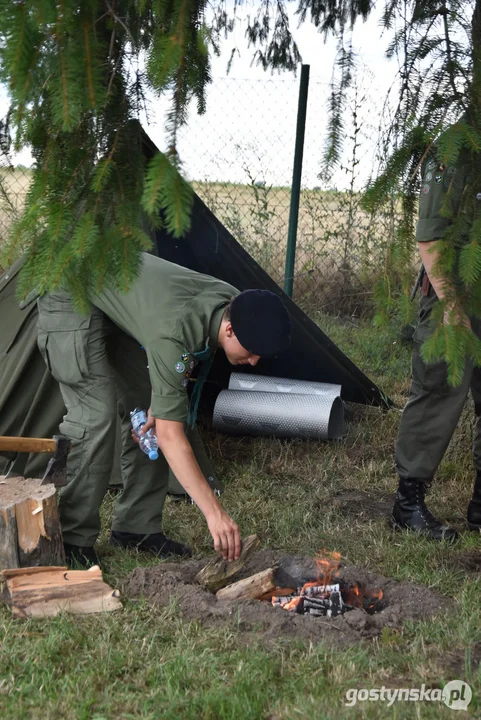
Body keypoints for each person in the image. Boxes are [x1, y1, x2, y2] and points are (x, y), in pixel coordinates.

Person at [37, 253, 291, 566]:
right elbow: (171, 437)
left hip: (113, 304)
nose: (254, 361)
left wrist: (162, 400)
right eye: (252, 352)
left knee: (151, 409)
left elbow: (181, 361)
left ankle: (135, 527)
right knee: (96, 415)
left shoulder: (231, 303)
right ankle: (73, 540)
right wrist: (215, 514)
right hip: (69, 288)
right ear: (229, 330)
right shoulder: (175, 329)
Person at [392, 125, 481, 542]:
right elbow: (429, 237)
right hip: (453, 294)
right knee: (440, 392)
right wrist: (452, 305)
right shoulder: (455, 149)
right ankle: (407, 503)